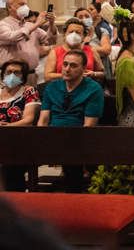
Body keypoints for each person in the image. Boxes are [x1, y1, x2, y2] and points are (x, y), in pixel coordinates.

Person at [38, 49, 104, 192]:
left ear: (84, 69)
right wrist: (43, 145)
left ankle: (72, 199)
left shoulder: (93, 89)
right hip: (52, 138)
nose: (67, 69)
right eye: (65, 64)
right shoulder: (52, 87)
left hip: (79, 139)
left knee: (72, 163)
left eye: (73, 66)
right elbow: (43, 121)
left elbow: (89, 126)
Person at [0, 60, 40, 190]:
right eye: (9, 72)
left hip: (17, 140)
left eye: (16, 72)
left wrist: (6, 128)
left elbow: (28, 120)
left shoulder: (28, 91)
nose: (12, 75)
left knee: (12, 172)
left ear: (23, 76)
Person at [0, 0, 56, 83]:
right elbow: (12, 37)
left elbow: (50, 40)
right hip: (11, 75)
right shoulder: (3, 24)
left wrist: (52, 24)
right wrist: (37, 23)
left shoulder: (30, 26)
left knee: (31, 96)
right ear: (10, 7)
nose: (26, 7)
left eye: (26, 4)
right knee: (10, 96)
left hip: (31, 74)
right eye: (21, 4)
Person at [44, 18, 104, 82]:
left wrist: (94, 74)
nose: (74, 35)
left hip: (87, 88)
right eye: (71, 32)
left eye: (78, 33)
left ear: (83, 36)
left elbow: (102, 73)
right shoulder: (55, 52)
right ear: (65, 34)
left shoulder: (91, 50)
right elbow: (47, 77)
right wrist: (71, 75)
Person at [88, 0, 114, 80]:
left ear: (99, 12)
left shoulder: (103, 28)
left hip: (100, 64)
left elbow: (106, 49)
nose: (89, 12)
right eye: (87, 10)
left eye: (91, 9)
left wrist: (86, 48)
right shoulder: (88, 27)